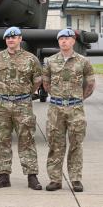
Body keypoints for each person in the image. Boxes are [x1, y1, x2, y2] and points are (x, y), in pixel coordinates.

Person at [0, 26, 43, 190]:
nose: (11, 39)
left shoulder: (31, 59)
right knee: (0, 140)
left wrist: (25, 93)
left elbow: (37, 80)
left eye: (14, 37)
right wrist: (3, 91)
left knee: (27, 139)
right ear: (6, 40)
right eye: (8, 37)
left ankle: (32, 177)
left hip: (23, 105)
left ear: (20, 39)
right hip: (2, 105)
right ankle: (3, 176)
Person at [42, 28, 95, 192]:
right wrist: (58, 97)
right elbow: (46, 84)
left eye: (67, 38)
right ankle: (55, 179)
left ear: (73, 41)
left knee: (76, 144)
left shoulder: (83, 61)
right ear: (58, 42)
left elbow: (90, 84)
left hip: (75, 108)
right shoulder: (50, 61)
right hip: (56, 108)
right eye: (61, 39)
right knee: (55, 144)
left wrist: (79, 99)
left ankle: (76, 179)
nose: (64, 41)